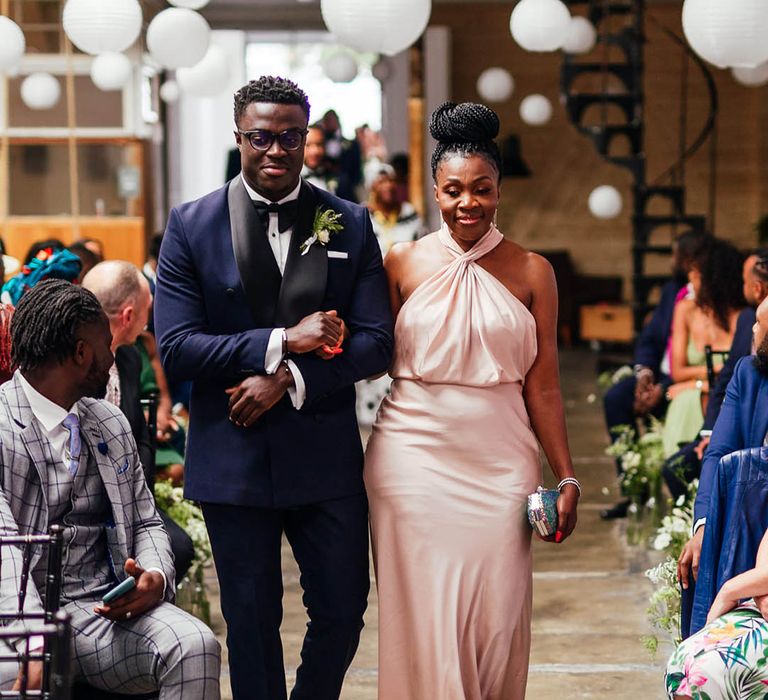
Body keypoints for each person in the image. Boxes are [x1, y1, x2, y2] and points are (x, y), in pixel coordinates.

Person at [153, 76, 393, 700]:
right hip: (232, 458)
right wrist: (283, 341)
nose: (276, 150)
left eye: (291, 135)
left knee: (343, 611)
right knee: (252, 626)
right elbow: (178, 346)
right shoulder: (191, 225)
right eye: (261, 137)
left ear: (306, 138)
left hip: (323, 456)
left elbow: (375, 341)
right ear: (240, 137)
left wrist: (287, 378)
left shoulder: (348, 222)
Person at [364, 102, 580, 700]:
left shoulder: (534, 272)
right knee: (425, 617)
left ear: (499, 191)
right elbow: (373, 355)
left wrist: (566, 477)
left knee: (496, 616)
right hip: (410, 459)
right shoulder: (400, 263)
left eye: (481, 190)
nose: (467, 203)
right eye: (454, 190)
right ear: (434, 190)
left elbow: (545, 385)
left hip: (501, 463)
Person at [0, 279, 220, 697]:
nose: (113, 357)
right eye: (106, 345)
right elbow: (4, 546)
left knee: (195, 644)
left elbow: (147, 520)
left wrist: (154, 575)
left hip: (98, 612)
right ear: (82, 353)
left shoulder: (109, 420)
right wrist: (32, 637)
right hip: (11, 618)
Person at [82, 261, 195, 583]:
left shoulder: (131, 358)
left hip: (129, 494)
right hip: (80, 500)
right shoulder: (74, 363)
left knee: (179, 547)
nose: (150, 322)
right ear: (130, 316)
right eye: (148, 312)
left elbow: (138, 435)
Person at [601, 230, 709, 519]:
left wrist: (667, 385)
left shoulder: (708, 298)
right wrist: (644, 374)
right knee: (615, 398)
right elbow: (649, 339)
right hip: (657, 374)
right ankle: (634, 491)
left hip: (679, 381)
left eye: (674, 256)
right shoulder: (670, 291)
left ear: (689, 260)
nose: (670, 261)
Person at [678, 297, 768, 601]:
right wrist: (705, 526)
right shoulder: (748, 375)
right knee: (698, 562)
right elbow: (718, 453)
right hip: (746, 521)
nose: (752, 330)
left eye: (759, 324)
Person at [663, 250, 768, 500]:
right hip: (734, 424)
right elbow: (727, 379)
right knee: (676, 467)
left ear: (756, 288)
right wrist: (710, 433)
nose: (755, 328)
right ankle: (697, 525)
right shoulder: (746, 322)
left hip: (757, 441)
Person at [661, 239, 744, 457]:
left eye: (695, 275)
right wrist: (706, 381)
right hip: (693, 397)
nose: (690, 281)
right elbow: (677, 372)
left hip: (726, 398)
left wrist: (697, 384)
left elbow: (740, 374)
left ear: (713, 280)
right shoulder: (685, 310)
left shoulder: (743, 317)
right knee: (684, 402)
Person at [356, 165, 424, 425]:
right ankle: (370, 411)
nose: (388, 186)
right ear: (372, 186)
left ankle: (401, 407)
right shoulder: (363, 216)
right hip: (372, 293)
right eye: (381, 181)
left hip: (405, 292)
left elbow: (420, 247)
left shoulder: (409, 215)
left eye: (392, 181)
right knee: (374, 344)